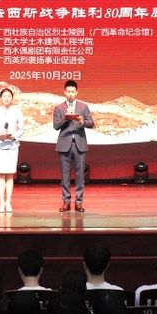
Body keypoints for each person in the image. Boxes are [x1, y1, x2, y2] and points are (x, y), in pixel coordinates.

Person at [53, 79, 94, 213]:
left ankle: (79, 202)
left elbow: (91, 123)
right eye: (68, 91)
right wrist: (65, 118)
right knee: (65, 175)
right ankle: (66, 201)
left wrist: (82, 121)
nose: (70, 94)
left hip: (79, 143)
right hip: (64, 144)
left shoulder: (83, 107)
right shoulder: (59, 108)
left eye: (73, 91)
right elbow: (55, 126)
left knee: (80, 174)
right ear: (64, 92)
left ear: (77, 92)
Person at [0, 87, 25, 213]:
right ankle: (1, 202)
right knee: (0, 174)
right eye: (5, 96)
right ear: (1, 98)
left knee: (10, 174)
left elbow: (22, 129)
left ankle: (8, 202)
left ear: (12, 98)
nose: (7, 98)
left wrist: (14, 135)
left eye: (9, 96)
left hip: (12, 146)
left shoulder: (17, 111)